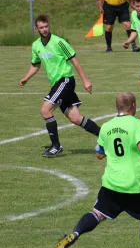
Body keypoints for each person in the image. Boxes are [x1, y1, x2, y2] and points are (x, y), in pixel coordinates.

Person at [55, 92, 140, 248]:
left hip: (111, 184)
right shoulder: (137, 124)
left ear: (117, 107)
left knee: (98, 213)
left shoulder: (106, 126)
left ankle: (75, 233)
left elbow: (99, 154)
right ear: (134, 106)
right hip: (136, 183)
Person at [19, 14, 101, 157]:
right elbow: (35, 65)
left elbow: (74, 61)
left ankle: (56, 146)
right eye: (41, 27)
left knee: (45, 110)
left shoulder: (59, 42)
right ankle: (104, 136)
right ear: (36, 29)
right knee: (75, 118)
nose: (44, 29)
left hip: (65, 81)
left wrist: (85, 81)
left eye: (46, 26)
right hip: (57, 84)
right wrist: (26, 78)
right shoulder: (36, 45)